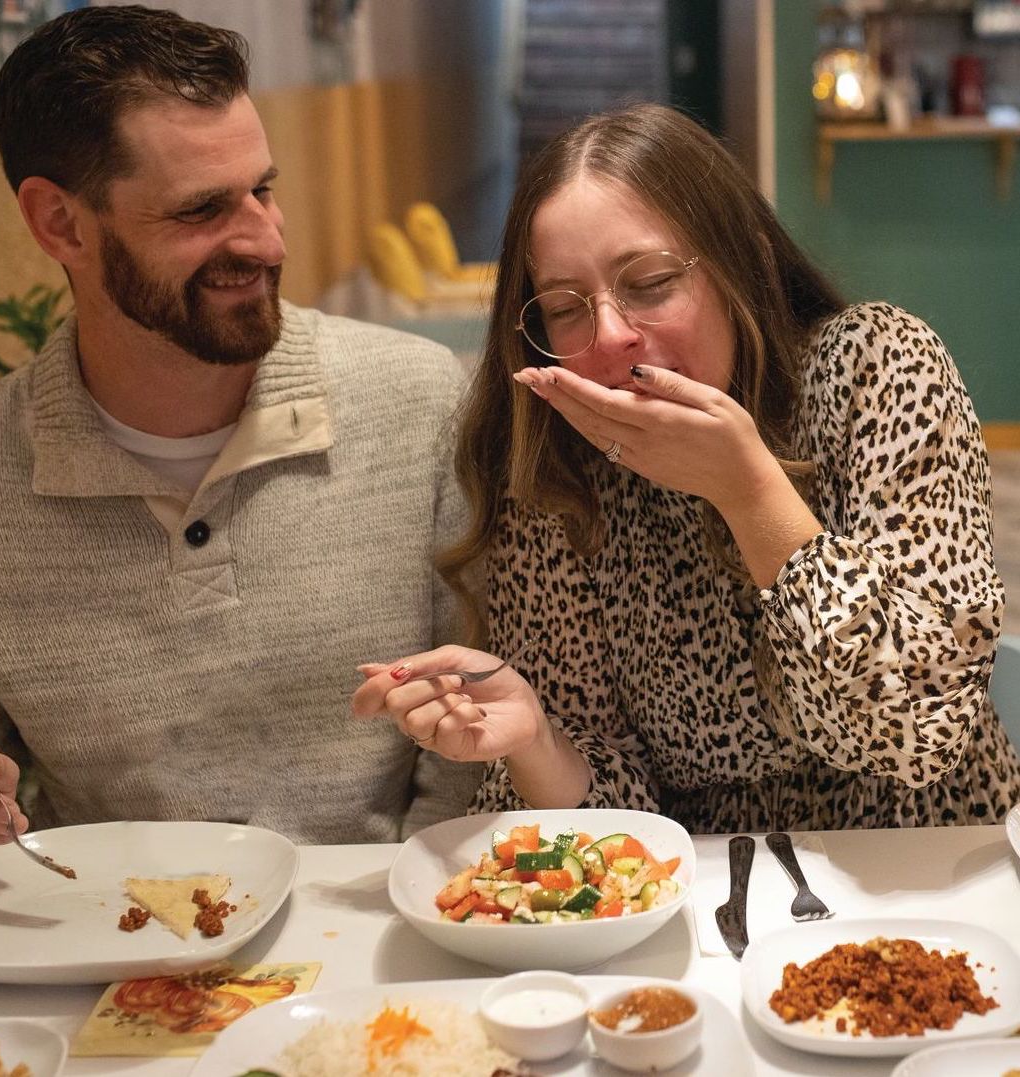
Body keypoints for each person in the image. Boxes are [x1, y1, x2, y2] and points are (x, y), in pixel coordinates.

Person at [0, 4, 479, 867]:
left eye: (263, 188)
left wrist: (412, 909)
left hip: (384, 933)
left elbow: (481, 741)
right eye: (201, 211)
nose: (264, 239)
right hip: (110, 948)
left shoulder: (418, 403)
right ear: (60, 225)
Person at [354, 104, 1020, 832]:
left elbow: (915, 735)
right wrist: (536, 741)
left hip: (929, 856)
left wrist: (749, 493)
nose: (610, 335)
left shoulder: (876, 368)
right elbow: (613, 821)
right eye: (565, 307)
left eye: (648, 281)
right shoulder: (556, 458)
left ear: (738, 264)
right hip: (699, 881)